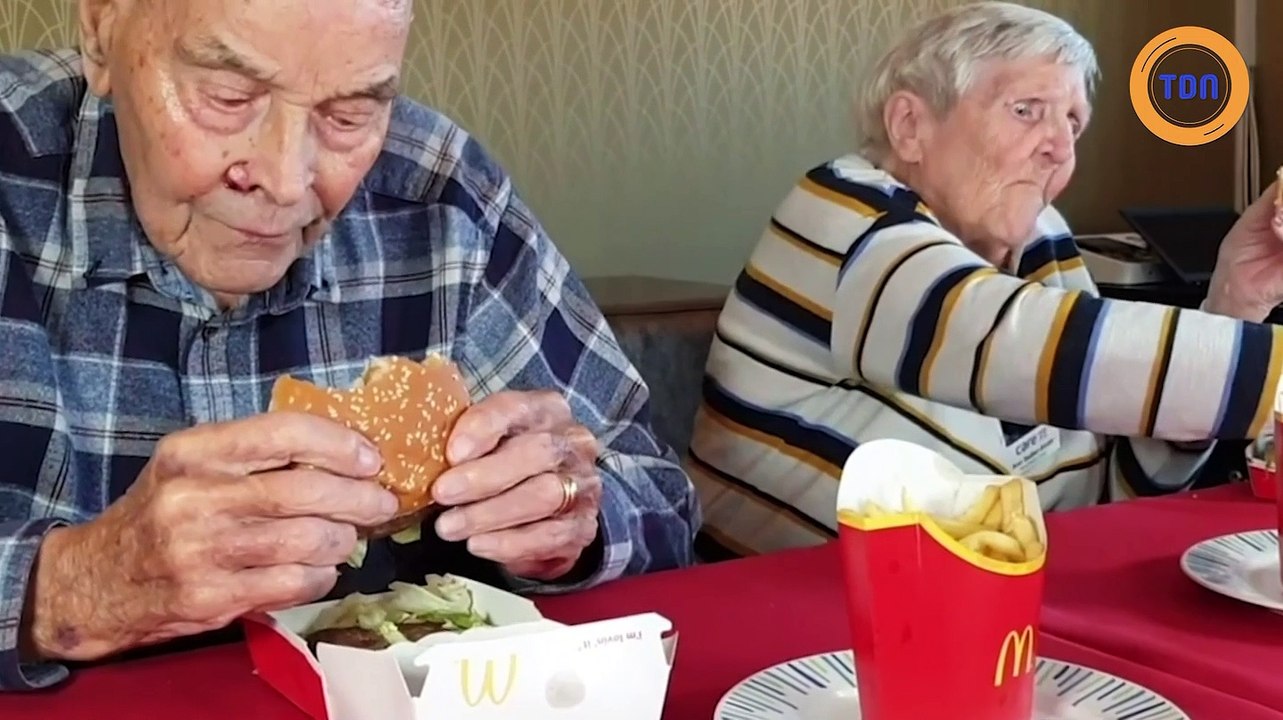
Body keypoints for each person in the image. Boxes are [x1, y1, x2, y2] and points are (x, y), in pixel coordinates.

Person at [0, 0, 700, 691]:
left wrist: (570, 518)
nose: (283, 181)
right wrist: (74, 588)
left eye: (348, 117)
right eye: (228, 95)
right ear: (100, 30)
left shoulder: (438, 193)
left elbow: (660, 496)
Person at [687, 1, 1283, 558]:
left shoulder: (1038, 242)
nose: (1059, 147)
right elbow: (1002, 341)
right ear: (910, 126)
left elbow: (1116, 488)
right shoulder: (843, 217)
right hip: (789, 632)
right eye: (1027, 111)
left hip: (997, 612)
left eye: (1073, 122)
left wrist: (1232, 300)